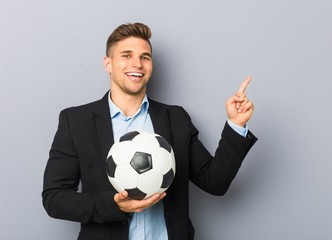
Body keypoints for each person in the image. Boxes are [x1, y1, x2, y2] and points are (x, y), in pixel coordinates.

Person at [42, 22, 257, 240]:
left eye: (145, 57)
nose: (137, 64)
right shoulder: (76, 121)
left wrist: (236, 125)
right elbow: (54, 198)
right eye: (127, 55)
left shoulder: (176, 118)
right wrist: (114, 205)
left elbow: (215, 182)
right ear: (108, 63)